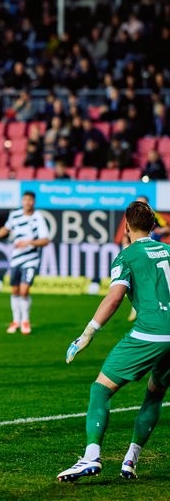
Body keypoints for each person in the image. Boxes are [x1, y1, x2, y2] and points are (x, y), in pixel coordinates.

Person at [58, 200, 170, 481]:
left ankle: (91, 457)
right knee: (155, 393)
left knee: (100, 390)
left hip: (149, 335)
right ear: (153, 226)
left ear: (127, 226)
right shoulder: (169, 251)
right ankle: (130, 460)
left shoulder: (127, 256)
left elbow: (114, 298)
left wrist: (88, 333)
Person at [0, 192, 49, 335]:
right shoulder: (15, 215)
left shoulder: (38, 218)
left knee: (24, 290)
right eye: (25, 200)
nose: (27, 202)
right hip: (16, 258)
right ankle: (15, 320)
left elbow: (45, 240)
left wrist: (29, 242)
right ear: (22, 201)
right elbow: (6, 229)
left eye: (30, 200)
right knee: (14, 290)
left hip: (31, 259)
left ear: (34, 202)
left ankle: (25, 320)